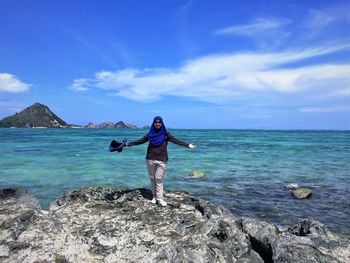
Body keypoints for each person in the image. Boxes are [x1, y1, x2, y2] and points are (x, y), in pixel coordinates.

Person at [126, 116, 197, 206]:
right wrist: (128, 144)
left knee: (158, 178)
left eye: (159, 122)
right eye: (156, 122)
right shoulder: (150, 134)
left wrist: (187, 145)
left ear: (162, 123)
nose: (157, 123)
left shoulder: (165, 134)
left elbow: (175, 140)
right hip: (150, 159)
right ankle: (154, 197)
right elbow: (140, 141)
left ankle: (160, 199)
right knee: (152, 178)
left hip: (162, 160)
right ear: (154, 123)